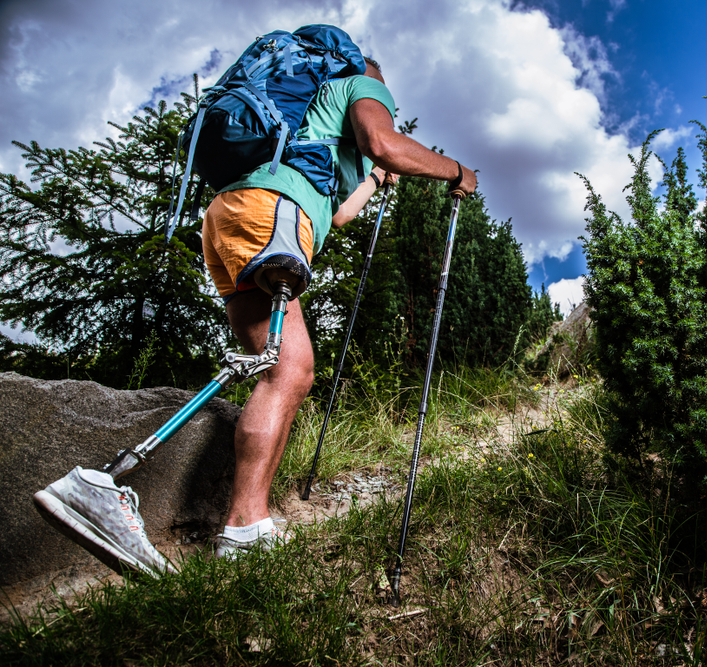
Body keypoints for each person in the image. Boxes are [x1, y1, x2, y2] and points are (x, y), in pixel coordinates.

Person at [33, 56, 477, 575]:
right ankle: (129, 488)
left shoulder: (307, 114)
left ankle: (245, 526)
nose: (383, 106)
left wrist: (374, 180)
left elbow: (338, 211)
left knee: (279, 367)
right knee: (289, 368)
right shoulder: (360, 84)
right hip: (273, 214)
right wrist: (456, 171)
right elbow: (386, 144)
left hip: (235, 214)